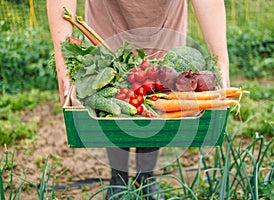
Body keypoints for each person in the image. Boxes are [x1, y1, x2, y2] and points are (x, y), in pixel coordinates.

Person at [47, 0, 230, 199]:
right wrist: (61, 60)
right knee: (110, 91)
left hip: (163, 16)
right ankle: (119, 177)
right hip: (108, 12)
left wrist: (220, 57)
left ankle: (147, 176)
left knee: (161, 96)